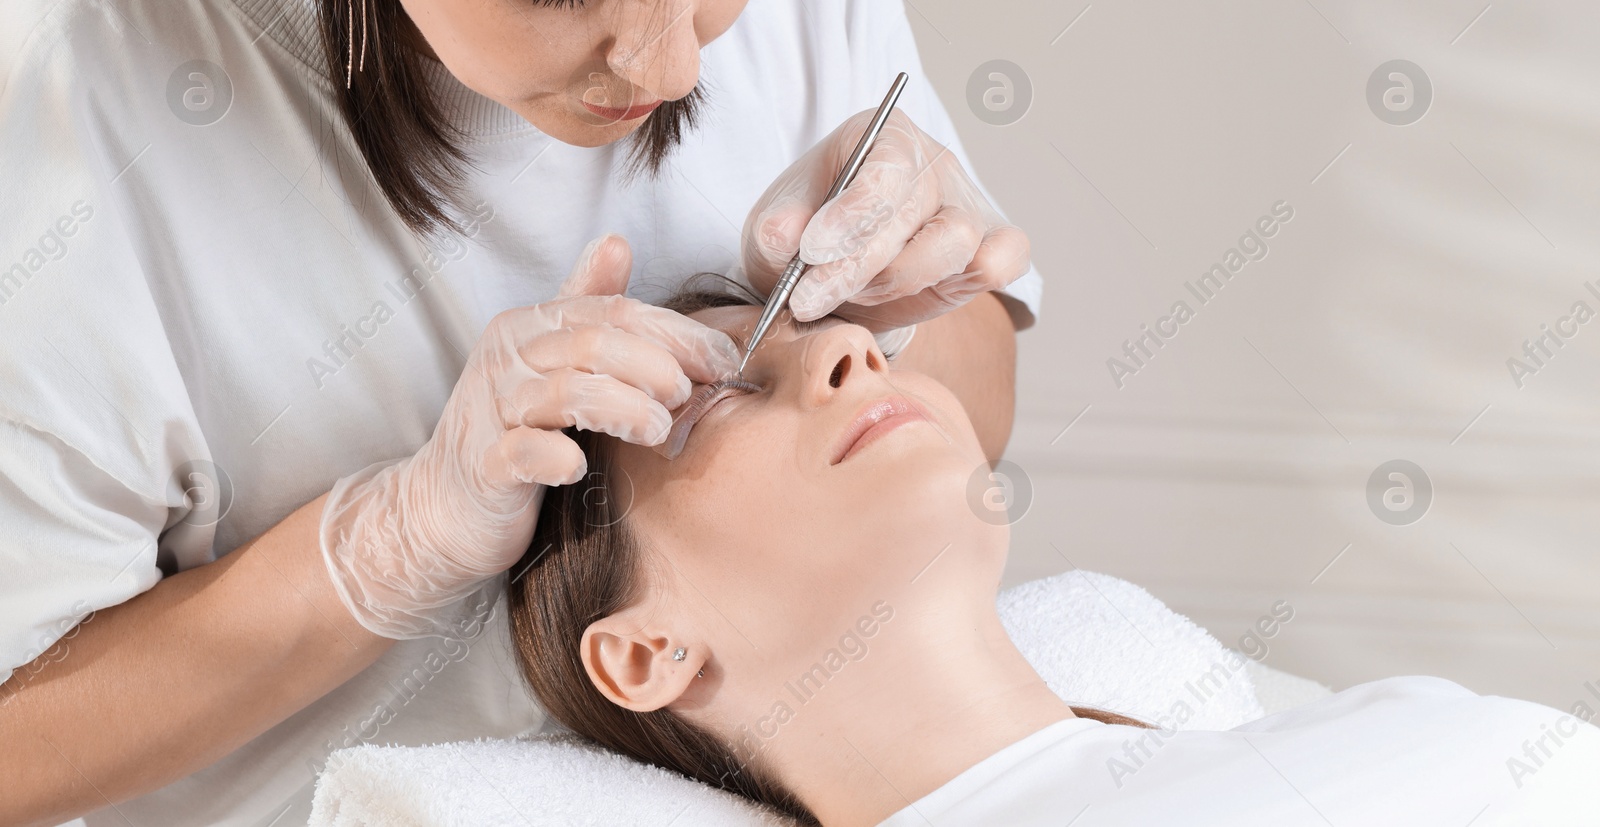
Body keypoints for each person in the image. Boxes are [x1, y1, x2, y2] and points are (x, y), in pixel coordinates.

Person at [0, 0, 1038, 825]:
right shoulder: (61, 109)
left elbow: (969, 430)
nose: (672, 63)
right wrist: (386, 546)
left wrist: (905, 290)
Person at [510, 280, 1600, 827]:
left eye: (856, 333)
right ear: (645, 650)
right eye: (725, 391)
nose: (849, 345)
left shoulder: (1395, 719)